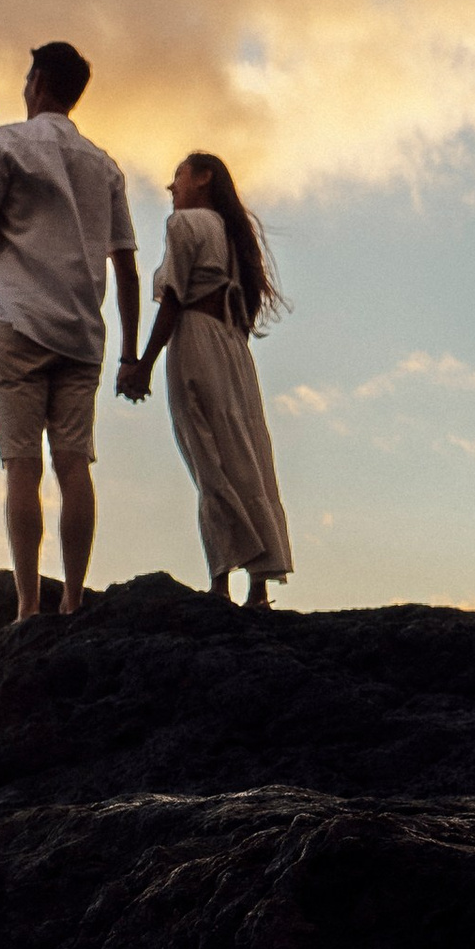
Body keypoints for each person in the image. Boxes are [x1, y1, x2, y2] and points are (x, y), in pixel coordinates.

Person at [0, 40, 141, 621]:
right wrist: (131, 351)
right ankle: (76, 599)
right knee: (73, 464)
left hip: (19, 321)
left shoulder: (5, 143)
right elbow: (126, 265)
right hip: (83, 331)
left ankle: (29, 605)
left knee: (22, 467)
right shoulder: (103, 164)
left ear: (36, 82)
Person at [119, 150, 293, 608]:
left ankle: (220, 579)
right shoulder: (237, 240)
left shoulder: (185, 225)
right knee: (248, 454)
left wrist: (141, 364)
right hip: (234, 351)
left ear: (203, 178)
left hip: (195, 340)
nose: (170, 186)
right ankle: (258, 586)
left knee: (207, 455)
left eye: (178, 175)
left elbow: (173, 298)